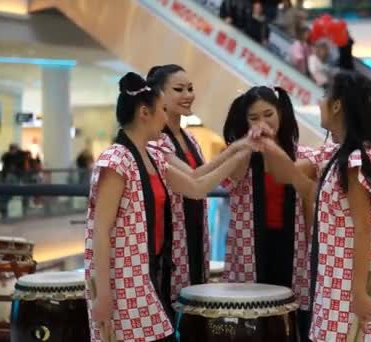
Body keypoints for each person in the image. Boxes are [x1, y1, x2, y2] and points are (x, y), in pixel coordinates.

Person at [261, 71, 371, 341]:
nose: (319, 102)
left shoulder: (359, 160)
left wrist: (359, 290)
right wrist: (268, 143)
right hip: (338, 271)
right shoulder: (335, 153)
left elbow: (367, 227)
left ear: (337, 105)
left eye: (323, 96)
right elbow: (286, 174)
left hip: (357, 275)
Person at [85, 72, 256, 342]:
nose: (166, 118)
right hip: (122, 277)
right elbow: (100, 232)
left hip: (148, 272)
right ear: (144, 112)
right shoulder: (115, 160)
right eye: (162, 110)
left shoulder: (153, 154)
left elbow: (197, 185)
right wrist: (103, 293)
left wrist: (242, 148)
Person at [147, 64, 260, 302]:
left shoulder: (189, 138)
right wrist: (240, 151)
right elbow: (196, 180)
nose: (188, 95)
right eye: (179, 89)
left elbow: (200, 174)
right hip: (171, 238)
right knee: (172, 301)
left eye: (190, 88)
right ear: (159, 96)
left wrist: (238, 148)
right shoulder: (155, 141)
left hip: (195, 234)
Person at [221, 86, 314, 341]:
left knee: (290, 318)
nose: (262, 123)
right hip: (249, 246)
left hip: (292, 246)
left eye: (268, 114)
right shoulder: (239, 153)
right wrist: (251, 145)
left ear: (281, 113)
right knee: (251, 320)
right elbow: (233, 178)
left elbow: (308, 201)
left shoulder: (303, 155)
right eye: (254, 118)